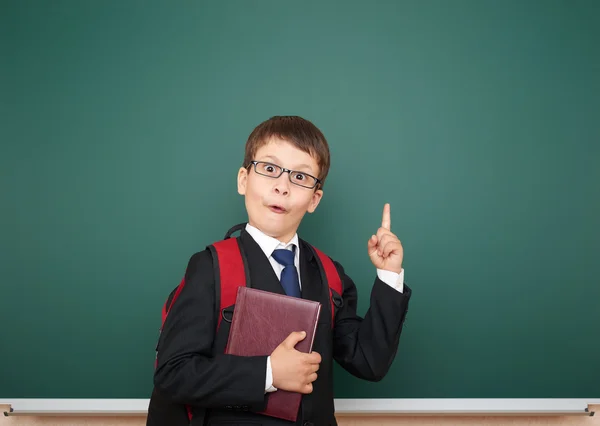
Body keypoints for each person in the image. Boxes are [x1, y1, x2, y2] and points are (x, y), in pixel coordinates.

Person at [147, 116, 412, 426]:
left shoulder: (330, 275)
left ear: (314, 199)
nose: (282, 186)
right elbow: (173, 373)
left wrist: (389, 276)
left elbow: (370, 362)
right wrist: (269, 373)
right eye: (270, 169)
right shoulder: (211, 267)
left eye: (300, 177)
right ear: (243, 180)